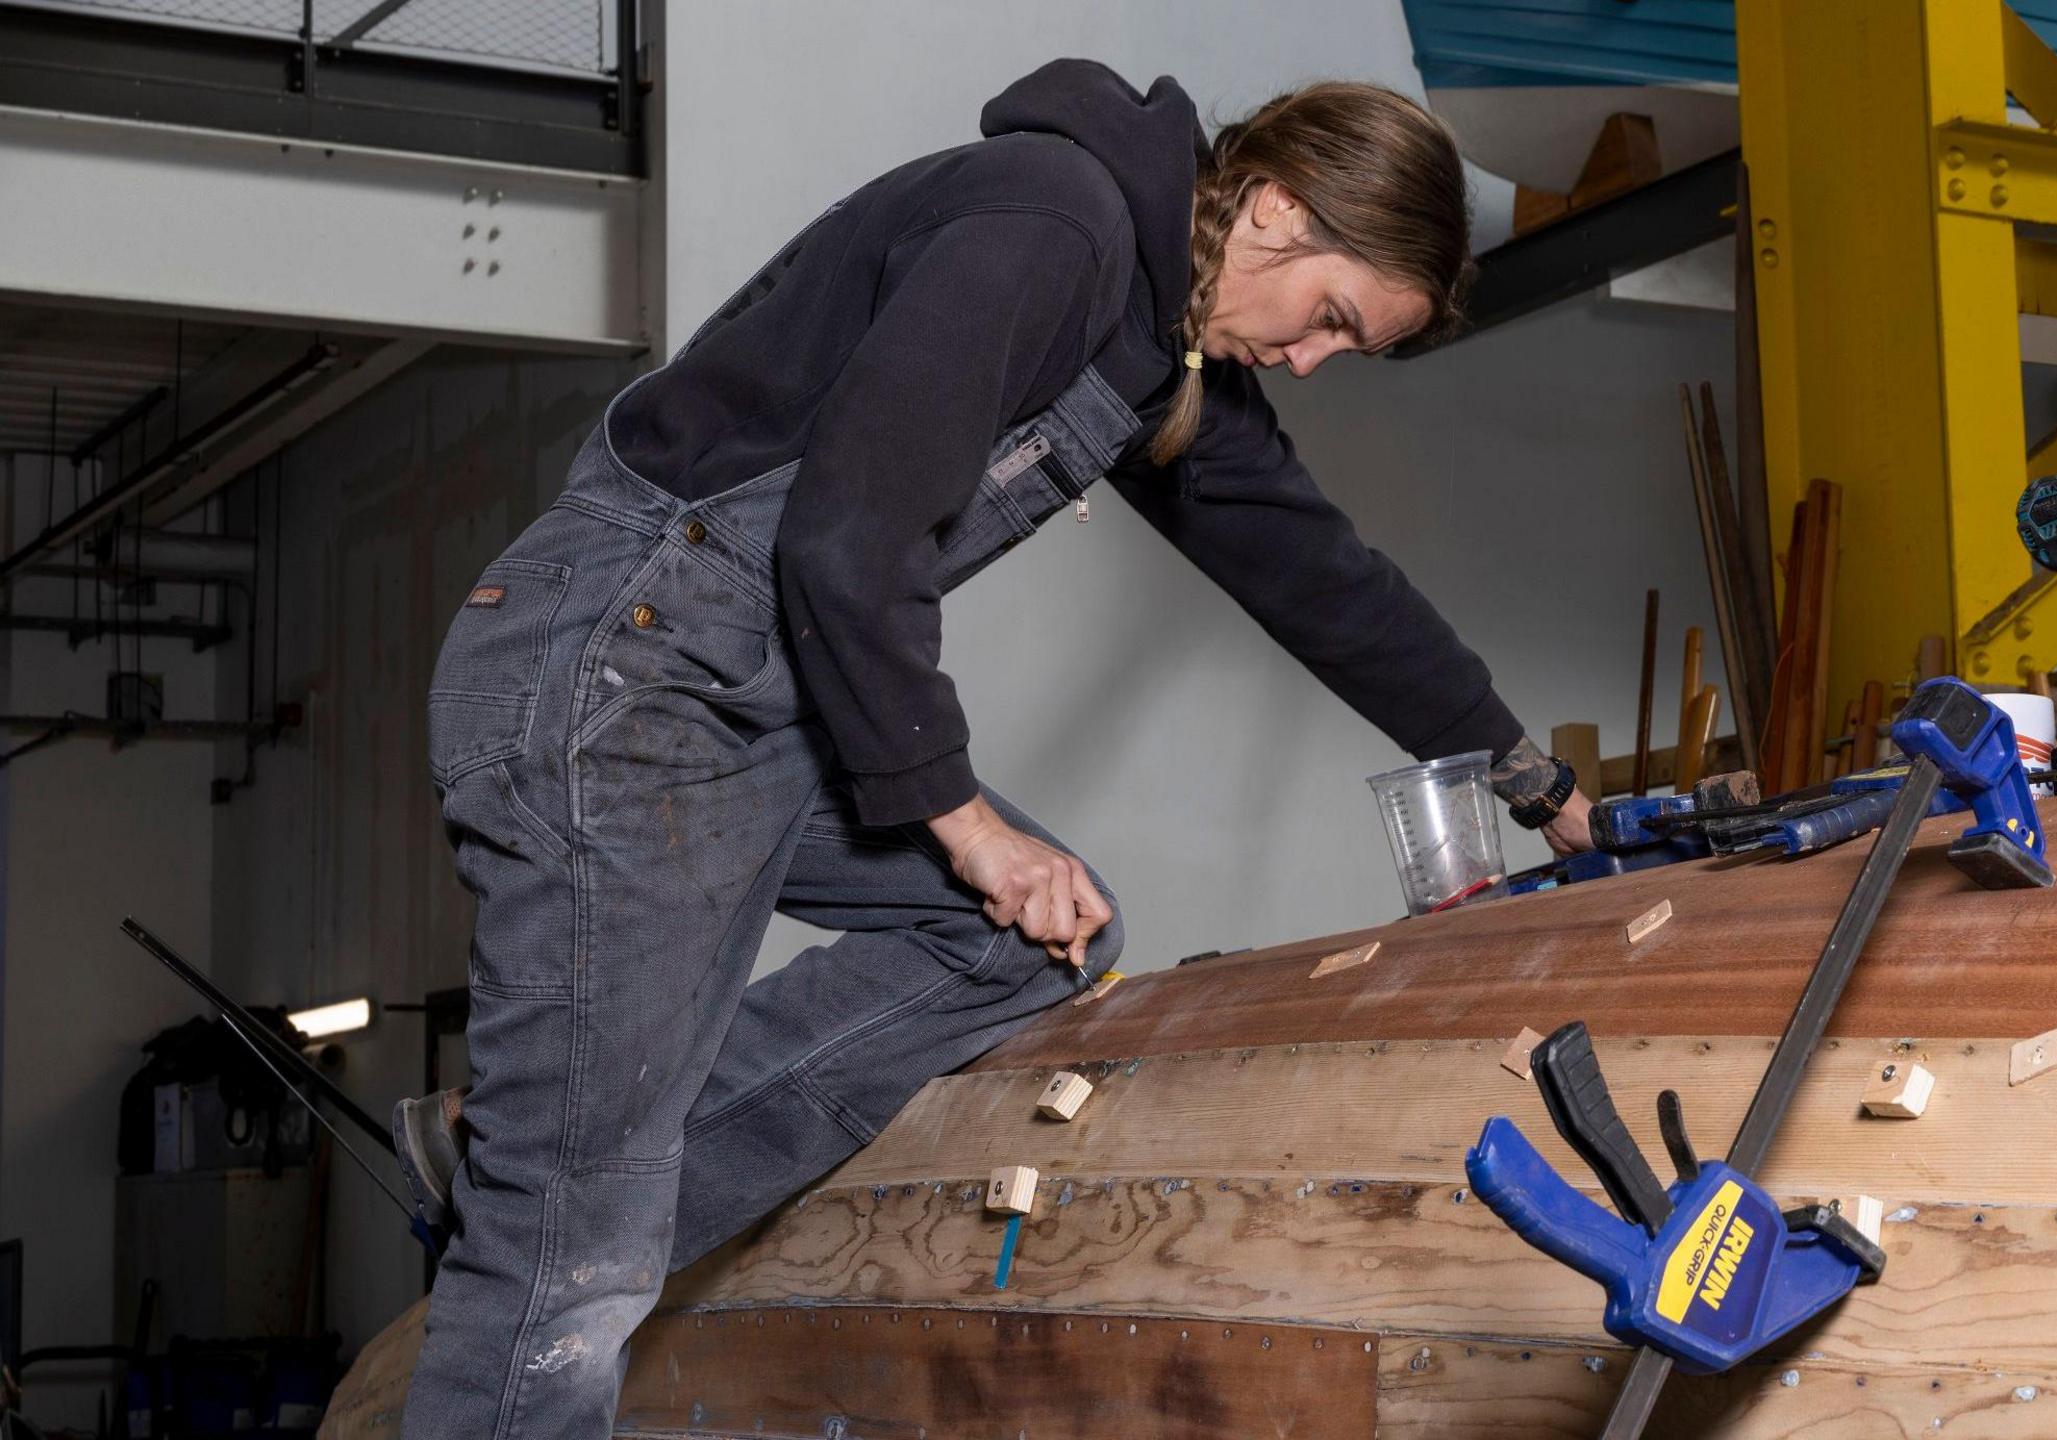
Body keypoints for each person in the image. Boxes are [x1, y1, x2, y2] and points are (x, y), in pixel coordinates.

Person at [391, 58, 1595, 1438]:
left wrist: (1528, 776)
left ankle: (524, 1160)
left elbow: (1315, 573)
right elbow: (849, 539)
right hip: (624, 671)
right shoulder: (1053, 223)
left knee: (1030, 939)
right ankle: (553, 1193)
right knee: (572, 1263)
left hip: (757, 694)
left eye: (1349, 349)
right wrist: (967, 822)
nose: (1315, 360)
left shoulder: (1159, 342)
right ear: (1273, 210)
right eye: (1329, 319)